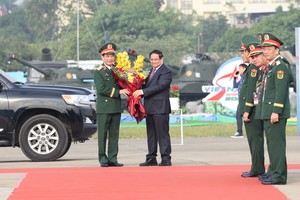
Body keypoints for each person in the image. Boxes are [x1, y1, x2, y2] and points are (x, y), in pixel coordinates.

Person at [255, 33, 293, 185]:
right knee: (272, 144)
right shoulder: (271, 68)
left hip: (275, 113)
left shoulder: (280, 68)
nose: (265, 51)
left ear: (277, 50)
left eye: (269, 48)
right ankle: (273, 171)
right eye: (264, 48)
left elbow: (280, 91)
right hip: (269, 112)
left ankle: (279, 175)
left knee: (276, 145)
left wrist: (276, 111)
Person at [133, 50, 173, 166]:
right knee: (151, 134)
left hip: (160, 108)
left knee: (162, 134)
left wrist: (142, 91)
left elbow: (160, 86)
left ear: (161, 59)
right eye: (152, 59)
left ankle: (166, 159)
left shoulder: (166, 72)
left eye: (156, 59)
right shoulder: (150, 71)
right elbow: (145, 84)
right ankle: (151, 158)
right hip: (149, 107)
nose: (154, 61)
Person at [94, 42, 129, 167]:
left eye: (112, 56)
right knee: (103, 135)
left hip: (115, 106)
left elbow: (124, 81)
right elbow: (101, 89)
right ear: (102, 57)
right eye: (107, 56)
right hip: (104, 108)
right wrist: (120, 92)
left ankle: (113, 158)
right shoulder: (98, 72)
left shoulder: (117, 70)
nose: (110, 58)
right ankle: (103, 159)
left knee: (114, 135)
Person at [237, 35, 266, 178]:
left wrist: (247, 110)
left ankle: (258, 168)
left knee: (255, 140)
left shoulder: (254, 69)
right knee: (253, 140)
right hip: (251, 110)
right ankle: (256, 167)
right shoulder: (251, 68)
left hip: (253, 111)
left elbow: (251, 91)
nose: (242, 55)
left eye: (244, 51)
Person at [231, 63, 247, 138]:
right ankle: (239, 131)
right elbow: (235, 86)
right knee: (239, 115)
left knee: (239, 115)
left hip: (244, 100)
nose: (239, 70)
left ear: (244, 69)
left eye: (240, 68)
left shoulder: (245, 77)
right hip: (241, 100)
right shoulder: (241, 78)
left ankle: (239, 132)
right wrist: (235, 78)